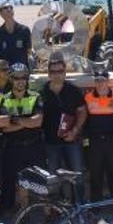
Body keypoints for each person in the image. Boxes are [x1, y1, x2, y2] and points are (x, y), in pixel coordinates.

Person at [40, 56, 87, 199]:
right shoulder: (42, 93)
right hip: (51, 142)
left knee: (78, 174)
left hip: (72, 140)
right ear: (48, 74)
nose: (57, 74)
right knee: (52, 178)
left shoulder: (73, 90)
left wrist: (75, 131)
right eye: (53, 72)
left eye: (60, 71)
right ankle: (55, 209)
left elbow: (82, 111)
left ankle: (79, 207)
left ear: (65, 72)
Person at [1, 63, 45, 210]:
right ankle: (23, 213)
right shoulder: (4, 100)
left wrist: (17, 121)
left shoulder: (35, 96)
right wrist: (27, 122)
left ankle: (47, 214)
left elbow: (38, 121)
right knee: (20, 182)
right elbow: (5, 128)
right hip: (14, 148)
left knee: (41, 180)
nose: (20, 81)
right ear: (11, 79)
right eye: (16, 78)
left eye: (23, 78)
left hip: (35, 146)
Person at [83, 70, 113, 203]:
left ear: (107, 81)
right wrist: (85, 143)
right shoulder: (87, 97)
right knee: (95, 176)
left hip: (112, 142)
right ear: (95, 82)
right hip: (94, 142)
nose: (100, 84)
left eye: (103, 81)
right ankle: (96, 207)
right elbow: (84, 120)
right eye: (98, 81)